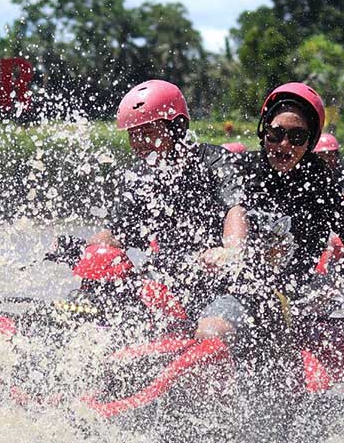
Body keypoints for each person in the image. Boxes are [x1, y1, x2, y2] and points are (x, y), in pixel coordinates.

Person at [195, 82, 344, 353]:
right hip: (234, 288)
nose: (284, 145)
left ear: (310, 141)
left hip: (287, 301)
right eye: (276, 133)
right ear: (264, 132)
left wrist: (335, 287)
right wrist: (211, 253)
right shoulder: (243, 171)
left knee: (212, 332)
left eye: (297, 137)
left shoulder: (319, 184)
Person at [88, 79, 247, 317]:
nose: (139, 143)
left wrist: (230, 252)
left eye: (149, 132)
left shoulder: (215, 161)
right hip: (166, 284)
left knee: (210, 331)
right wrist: (85, 250)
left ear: (177, 128)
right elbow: (113, 233)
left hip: (219, 284)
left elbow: (235, 209)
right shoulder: (141, 178)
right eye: (133, 134)